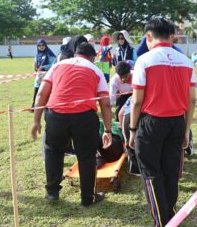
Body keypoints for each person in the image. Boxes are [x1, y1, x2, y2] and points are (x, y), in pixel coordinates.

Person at [129, 18, 196, 227]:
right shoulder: (186, 61)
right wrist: (186, 130)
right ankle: (169, 216)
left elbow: (137, 102)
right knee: (170, 172)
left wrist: (132, 129)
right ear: (171, 36)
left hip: (151, 123)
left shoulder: (144, 60)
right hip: (177, 121)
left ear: (149, 36)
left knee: (151, 174)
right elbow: (192, 101)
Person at [31, 42, 113, 206]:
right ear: (92, 57)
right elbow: (105, 103)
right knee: (87, 157)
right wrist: (108, 130)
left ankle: (52, 192)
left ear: (76, 54)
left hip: (56, 115)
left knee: (53, 152)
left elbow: (41, 94)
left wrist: (36, 121)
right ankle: (87, 198)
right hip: (84, 117)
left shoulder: (58, 65)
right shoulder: (95, 69)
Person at [31, 39, 56, 109]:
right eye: (39, 45)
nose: (41, 47)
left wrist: (44, 67)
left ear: (45, 45)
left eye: (43, 45)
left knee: (46, 91)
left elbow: (53, 64)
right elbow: (36, 63)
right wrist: (34, 65)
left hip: (47, 76)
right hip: (39, 76)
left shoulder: (49, 54)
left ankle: (48, 107)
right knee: (36, 90)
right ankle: (34, 107)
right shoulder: (37, 55)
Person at [118, 96, 140, 175]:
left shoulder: (131, 97)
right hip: (142, 115)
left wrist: (121, 126)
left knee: (129, 143)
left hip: (128, 117)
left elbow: (120, 114)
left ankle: (134, 169)